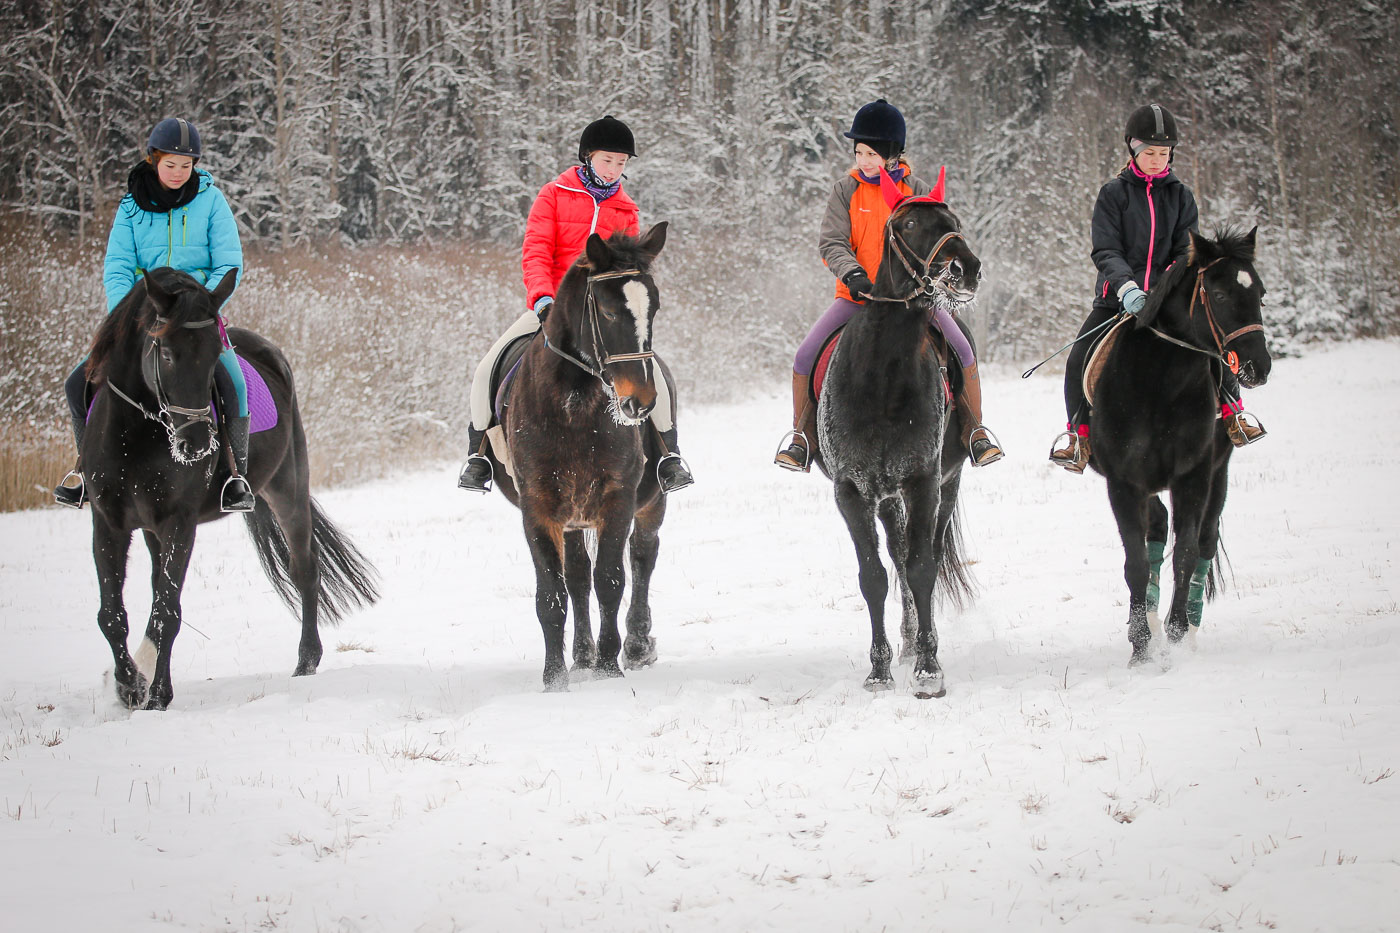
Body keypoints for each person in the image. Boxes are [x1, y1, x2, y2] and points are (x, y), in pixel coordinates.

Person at [458, 115, 694, 494]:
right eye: (607, 161)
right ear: (587, 157)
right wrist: (543, 299)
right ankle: (479, 455)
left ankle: (669, 453)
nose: (615, 170)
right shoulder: (552, 195)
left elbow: (626, 270)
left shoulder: (626, 209)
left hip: (603, 316)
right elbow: (535, 251)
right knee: (487, 368)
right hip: (552, 308)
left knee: (654, 375)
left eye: (622, 164)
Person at [773, 99, 1003, 472]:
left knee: (962, 349)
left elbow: (941, 243)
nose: (863, 160)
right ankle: (803, 437)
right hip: (857, 298)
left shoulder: (919, 191)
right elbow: (832, 242)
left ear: (894, 153)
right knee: (804, 355)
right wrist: (853, 274)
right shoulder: (845, 190)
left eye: (872, 153)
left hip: (914, 302)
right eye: (859, 152)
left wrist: (934, 281)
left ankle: (974, 431)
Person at [1048, 103, 1266, 473]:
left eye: (1163, 154)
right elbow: (1106, 249)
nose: (1156, 160)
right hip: (1117, 300)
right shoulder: (1113, 194)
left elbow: (1186, 251)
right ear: (1133, 151)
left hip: (1169, 302)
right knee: (1077, 358)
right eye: (1149, 153)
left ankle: (1233, 413)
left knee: (1214, 344)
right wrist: (1128, 288)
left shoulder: (1181, 196)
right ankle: (1079, 436)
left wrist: (1165, 286)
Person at [54, 117, 252, 511]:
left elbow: (228, 263)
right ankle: (85, 474)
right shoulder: (130, 207)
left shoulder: (211, 200)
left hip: (195, 317)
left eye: (186, 165)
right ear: (152, 160)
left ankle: (235, 476)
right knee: (77, 384)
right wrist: (127, 319)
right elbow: (118, 267)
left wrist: (204, 308)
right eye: (170, 164)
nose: (179, 173)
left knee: (236, 387)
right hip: (144, 315)